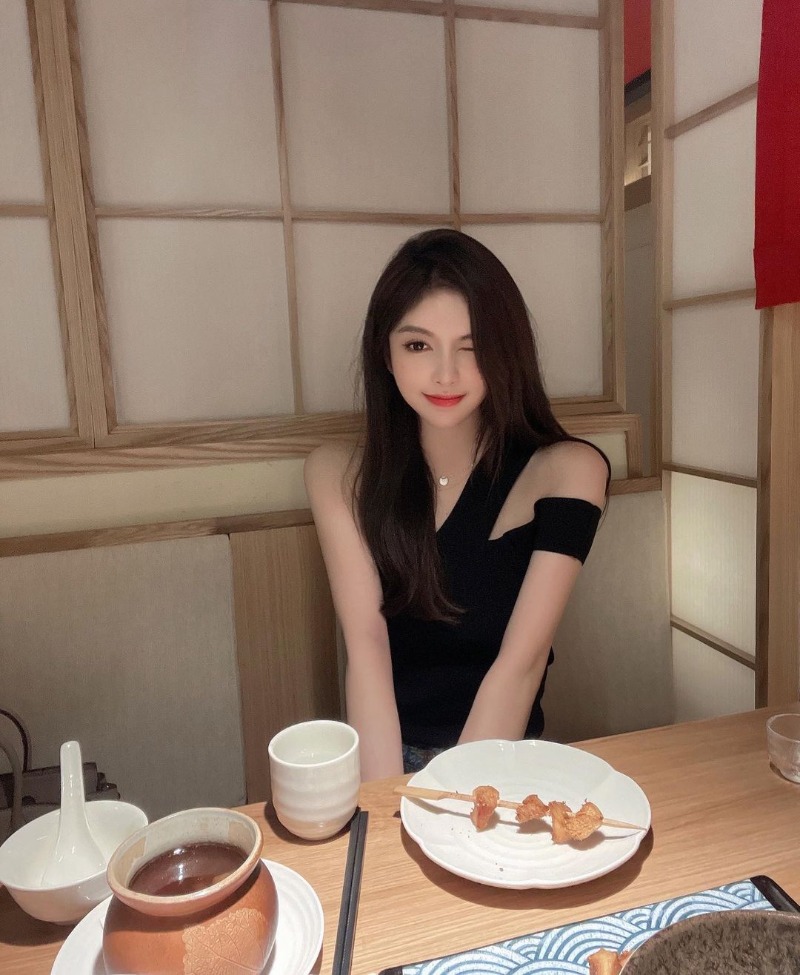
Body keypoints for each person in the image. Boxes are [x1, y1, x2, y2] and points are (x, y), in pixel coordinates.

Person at [304, 229, 609, 780]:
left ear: (505, 352)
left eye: (472, 347)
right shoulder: (338, 475)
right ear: (385, 353)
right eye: (418, 345)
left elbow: (521, 665)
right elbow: (367, 647)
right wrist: (388, 801)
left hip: (500, 765)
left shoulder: (568, 471)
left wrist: (452, 803)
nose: (446, 373)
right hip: (385, 761)